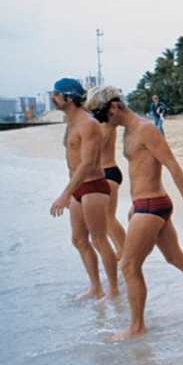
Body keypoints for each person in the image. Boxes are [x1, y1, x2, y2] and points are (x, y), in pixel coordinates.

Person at [86, 86, 183, 340]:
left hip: (152, 206)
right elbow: (139, 170)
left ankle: (137, 326)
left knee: (129, 266)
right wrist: (134, 203)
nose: (101, 121)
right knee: (175, 257)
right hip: (145, 204)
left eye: (101, 114)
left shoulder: (145, 129)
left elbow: (171, 163)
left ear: (115, 107)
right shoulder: (127, 131)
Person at [49, 78, 120, 302]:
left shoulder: (88, 123)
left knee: (99, 239)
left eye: (56, 94)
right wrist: (72, 190)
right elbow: (72, 159)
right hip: (79, 188)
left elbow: (88, 163)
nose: (52, 98)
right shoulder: (71, 122)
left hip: (93, 187)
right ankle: (96, 287)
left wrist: (65, 193)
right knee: (79, 240)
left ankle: (114, 289)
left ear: (69, 98)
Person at [99, 117, 127, 258]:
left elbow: (98, 146)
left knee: (108, 217)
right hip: (105, 172)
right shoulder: (100, 124)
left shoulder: (105, 124)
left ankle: (126, 251)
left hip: (108, 172)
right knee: (105, 218)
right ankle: (120, 250)